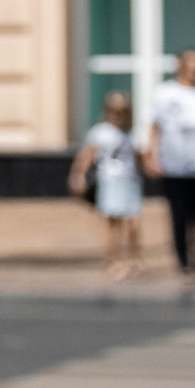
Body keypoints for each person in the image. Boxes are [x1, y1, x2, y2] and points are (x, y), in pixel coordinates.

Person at [143, 47, 195, 278]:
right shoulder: (165, 93)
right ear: (181, 67)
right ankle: (184, 260)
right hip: (176, 167)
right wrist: (152, 157)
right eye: (192, 65)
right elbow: (154, 127)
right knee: (180, 215)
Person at [68, 90, 146, 279]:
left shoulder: (132, 134)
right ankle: (113, 260)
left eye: (123, 111)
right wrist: (78, 176)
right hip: (109, 182)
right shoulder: (100, 132)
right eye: (115, 111)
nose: (119, 115)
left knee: (133, 223)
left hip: (130, 182)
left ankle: (134, 259)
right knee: (113, 225)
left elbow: (139, 159)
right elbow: (86, 156)